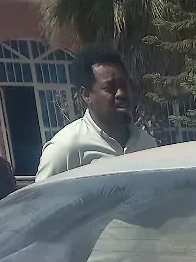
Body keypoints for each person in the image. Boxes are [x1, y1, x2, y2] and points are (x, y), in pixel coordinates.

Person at [36, 47, 156, 180]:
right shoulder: (65, 149)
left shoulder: (146, 144)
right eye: (109, 88)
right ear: (86, 95)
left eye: (124, 86)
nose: (121, 94)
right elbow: (42, 200)